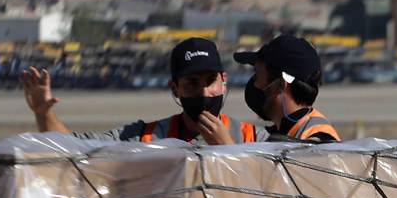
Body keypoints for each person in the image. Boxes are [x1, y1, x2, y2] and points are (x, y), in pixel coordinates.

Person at [19, 37, 259, 144]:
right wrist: (44, 114)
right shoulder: (146, 138)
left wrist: (227, 150)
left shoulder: (253, 138)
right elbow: (73, 148)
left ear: (224, 81)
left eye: (210, 81)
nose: (205, 93)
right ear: (175, 90)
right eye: (192, 84)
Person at [234, 34, 341, 143]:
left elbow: (295, 160)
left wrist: (228, 145)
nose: (254, 84)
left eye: (257, 74)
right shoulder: (279, 132)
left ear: (281, 85)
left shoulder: (320, 140)